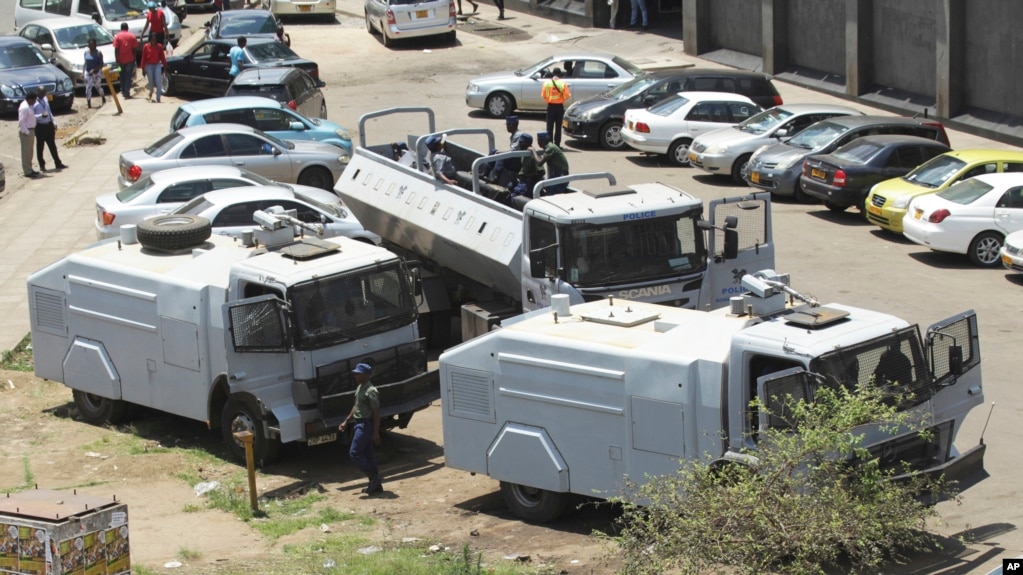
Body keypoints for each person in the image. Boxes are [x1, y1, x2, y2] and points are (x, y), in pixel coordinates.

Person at [338, 363, 383, 495]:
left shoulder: (371, 391)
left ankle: (374, 479)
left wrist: (375, 432)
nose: (356, 375)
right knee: (368, 455)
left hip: (366, 425)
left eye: (358, 373)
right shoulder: (360, 388)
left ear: (366, 375)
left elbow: (376, 412)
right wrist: (347, 420)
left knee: (355, 453)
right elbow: (356, 405)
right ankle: (375, 484)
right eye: (356, 373)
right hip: (359, 423)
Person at [33, 88, 66, 172]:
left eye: (45, 92)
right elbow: (32, 116)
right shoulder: (34, 103)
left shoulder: (45, 99)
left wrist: (54, 122)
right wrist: (41, 116)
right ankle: (42, 165)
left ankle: (58, 162)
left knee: (52, 145)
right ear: (38, 92)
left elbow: (49, 111)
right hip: (40, 126)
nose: (44, 94)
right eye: (42, 93)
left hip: (49, 125)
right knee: (40, 147)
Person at [486, 114, 523, 185]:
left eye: (507, 125)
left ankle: (496, 177)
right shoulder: (514, 134)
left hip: (517, 161)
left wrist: (501, 152)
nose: (507, 127)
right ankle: (485, 172)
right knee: (493, 151)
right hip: (513, 158)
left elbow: (514, 151)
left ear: (512, 125)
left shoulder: (518, 135)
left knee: (502, 156)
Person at [540, 68, 570, 147]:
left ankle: (549, 145)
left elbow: (543, 95)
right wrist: (561, 99)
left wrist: (549, 99)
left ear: (553, 74)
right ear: (560, 74)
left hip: (550, 107)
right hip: (559, 107)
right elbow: (567, 96)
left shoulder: (546, 83)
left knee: (549, 127)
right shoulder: (563, 83)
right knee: (558, 127)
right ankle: (557, 145)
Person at [113, 23, 139, 100]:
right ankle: (126, 92)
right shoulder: (132, 36)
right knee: (128, 76)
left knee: (121, 75)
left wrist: (117, 61)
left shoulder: (117, 36)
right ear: (127, 28)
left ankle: (123, 90)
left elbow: (116, 49)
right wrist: (134, 58)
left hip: (120, 61)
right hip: (130, 60)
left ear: (121, 28)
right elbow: (135, 49)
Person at [18, 93, 40, 178]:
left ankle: (30, 168)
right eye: (34, 100)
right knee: (26, 152)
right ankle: (27, 171)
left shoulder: (29, 106)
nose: (35, 102)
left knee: (30, 152)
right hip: (26, 132)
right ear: (29, 99)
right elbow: (21, 121)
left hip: (31, 130)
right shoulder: (24, 107)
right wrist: (26, 132)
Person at [141, 35, 167, 102]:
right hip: (149, 65)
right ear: (150, 40)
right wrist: (143, 68)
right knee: (151, 81)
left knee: (158, 81)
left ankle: (158, 98)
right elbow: (143, 58)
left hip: (157, 65)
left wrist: (165, 65)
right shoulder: (146, 47)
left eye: (155, 40)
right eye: (152, 40)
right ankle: (151, 91)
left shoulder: (159, 47)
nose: (154, 41)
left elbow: (162, 57)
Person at [84, 39, 106, 109]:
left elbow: (101, 64)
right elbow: (85, 63)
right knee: (88, 88)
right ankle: (89, 104)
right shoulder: (86, 52)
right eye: (89, 44)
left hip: (96, 72)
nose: (91, 46)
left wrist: (94, 70)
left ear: (95, 45)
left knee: (97, 86)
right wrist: (82, 72)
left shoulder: (98, 53)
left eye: (92, 44)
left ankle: (103, 97)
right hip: (88, 72)